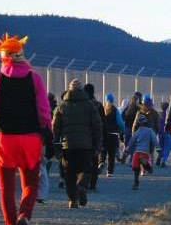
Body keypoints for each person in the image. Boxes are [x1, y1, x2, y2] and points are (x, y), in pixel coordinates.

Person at [0, 33, 52, 225]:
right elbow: (43, 110)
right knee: (31, 183)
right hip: (30, 138)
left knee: (6, 188)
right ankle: (25, 215)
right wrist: (47, 131)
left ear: (3, 58)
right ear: (21, 55)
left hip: (4, 139)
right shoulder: (35, 78)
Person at [53, 79, 101, 208]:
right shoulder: (90, 105)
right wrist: (97, 145)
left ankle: (72, 199)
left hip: (67, 145)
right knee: (85, 169)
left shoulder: (62, 106)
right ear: (81, 90)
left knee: (69, 173)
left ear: (69, 89)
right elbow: (97, 126)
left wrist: (56, 144)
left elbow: (55, 127)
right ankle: (82, 186)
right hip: (86, 145)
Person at [126, 115, 157, 190]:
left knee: (135, 167)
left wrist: (127, 150)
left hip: (137, 152)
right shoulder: (150, 131)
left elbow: (132, 142)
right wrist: (155, 148)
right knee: (145, 163)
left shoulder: (137, 132)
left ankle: (136, 182)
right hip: (145, 151)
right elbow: (154, 141)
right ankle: (147, 166)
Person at [83, 84, 105, 192]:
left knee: (85, 160)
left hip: (84, 136)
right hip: (95, 136)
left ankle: (84, 182)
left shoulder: (82, 104)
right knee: (94, 159)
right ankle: (93, 183)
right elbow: (103, 122)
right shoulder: (98, 105)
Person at [102, 93, 125, 176]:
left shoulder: (102, 109)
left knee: (103, 151)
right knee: (111, 154)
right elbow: (120, 122)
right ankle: (109, 172)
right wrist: (123, 130)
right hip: (113, 134)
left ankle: (100, 162)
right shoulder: (115, 109)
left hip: (104, 134)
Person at [121, 92, 142, 163]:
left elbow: (123, 116)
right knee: (135, 145)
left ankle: (125, 155)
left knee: (127, 144)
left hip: (127, 127)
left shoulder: (129, 106)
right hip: (136, 129)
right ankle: (131, 159)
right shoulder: (140, 107)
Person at [155, 101, 171, 167]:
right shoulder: (168, 114)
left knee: (160, 147)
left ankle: (160, 156)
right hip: (166, 132)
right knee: (166, 147)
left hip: (159, 133)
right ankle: (163, 160)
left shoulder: (158, 114)